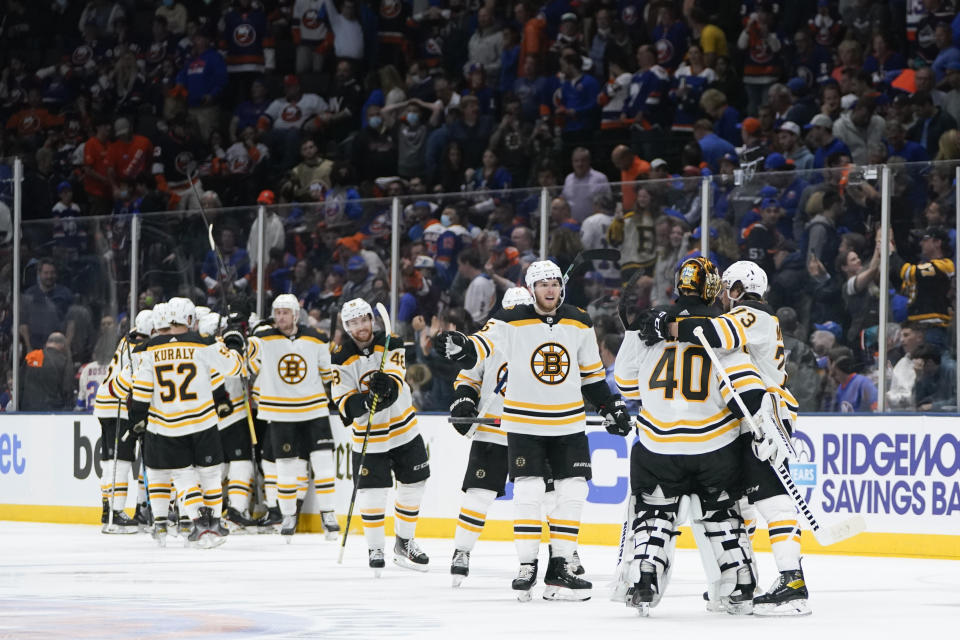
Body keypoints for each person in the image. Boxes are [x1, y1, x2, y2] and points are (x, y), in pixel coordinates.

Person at [435, 260, 630, 601]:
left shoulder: (579, 321)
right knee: (514, 493)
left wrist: (608, 405)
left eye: (554, 283)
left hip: (567, 424)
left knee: (570, 494)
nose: (550, 289)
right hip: (516, 425)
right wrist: (463, 350)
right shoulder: (510, 322)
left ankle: (563, 563)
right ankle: (512, 561)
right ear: (531, 291)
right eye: (543, 284)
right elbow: (477, 351)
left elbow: (591, 375)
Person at [637, 261, 810, 615]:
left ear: (737, 288)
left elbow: (712, 334)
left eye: (725, 289)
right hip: (748, 418)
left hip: (765, 417)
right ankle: (737, 581)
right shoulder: (754, 317)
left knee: (772, 499)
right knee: (742, 505)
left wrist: (668, 325)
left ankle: (793, 583)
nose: (721, 298)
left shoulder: (753, 313)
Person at [614, 257, 768, 615]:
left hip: (657, 443)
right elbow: (740, 387)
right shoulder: (723, 324)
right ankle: (740, 583)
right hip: (715, 444)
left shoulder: (647, 323)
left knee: (654, 515)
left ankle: (645, 578)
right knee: (723, 516)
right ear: (713, 287)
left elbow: (624, 383)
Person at [121, 298, 244, 548]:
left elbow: (142, 389)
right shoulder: (204, 343)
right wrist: (233, 340)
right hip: (203, 422)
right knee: (210, 475)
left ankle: (197, 521)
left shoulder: (148, 348)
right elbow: (234, 368)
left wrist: (138, 419)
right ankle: (215, 522)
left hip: (168, 425)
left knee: (183, 475)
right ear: (189, 319)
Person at [331, 298, 430, 575]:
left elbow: (396, 379)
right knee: (372, 493)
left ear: (371, 320)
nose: (360, 326)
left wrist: (386, 387)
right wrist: (365, 401)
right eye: (353, 322)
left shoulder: (392, 342)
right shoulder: (340, 356)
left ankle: (405, 542)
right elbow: (342, 400)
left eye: (364, 319)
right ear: (347, 326)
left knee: (414, 484)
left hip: (404, 429)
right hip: (369, 435)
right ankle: (375, 548)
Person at [247, 294, 339, 540]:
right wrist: (241, 340)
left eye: (285, 312)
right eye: (277, 313)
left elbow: (329, 375)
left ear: (296, 315)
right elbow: (246, 366)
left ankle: (328, 513)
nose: (280, 317)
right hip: (280, 412)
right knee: (285, 466)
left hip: (314, 409)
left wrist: (337, 356)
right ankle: (288, 515)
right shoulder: (262, 339)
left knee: (324, 464)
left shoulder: (316, 338)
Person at [91, 310, 153, 533]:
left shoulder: (127, 340)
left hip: (104, 404)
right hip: (118, 406)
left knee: (109, 462)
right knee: (122, 461)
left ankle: (107, 509)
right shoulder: (140, 348)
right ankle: (117, 514)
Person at [889, 226, 954, 346]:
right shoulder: (925, 268)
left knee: (936, 362)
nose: (921, 243)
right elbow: (904, 280)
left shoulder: (945, 265)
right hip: (916, 328)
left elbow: (909, 272)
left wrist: (891, 252)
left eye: (925, 239)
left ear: (937, 242)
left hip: (933, 329)